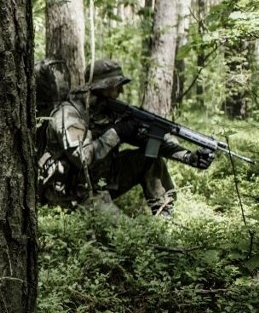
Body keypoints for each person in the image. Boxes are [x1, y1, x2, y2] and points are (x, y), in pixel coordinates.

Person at [40, 59, 213, 218]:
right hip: (72, 194)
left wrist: (189, 157)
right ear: (102, 87)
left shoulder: (109, 112)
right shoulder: (69, 114)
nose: (121, 91)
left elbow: (151, 143)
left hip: (101, 184)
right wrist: (118, 132)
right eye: (117, 86)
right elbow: (83, 158)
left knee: (150, 158)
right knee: (131, 235)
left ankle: (164, 213)